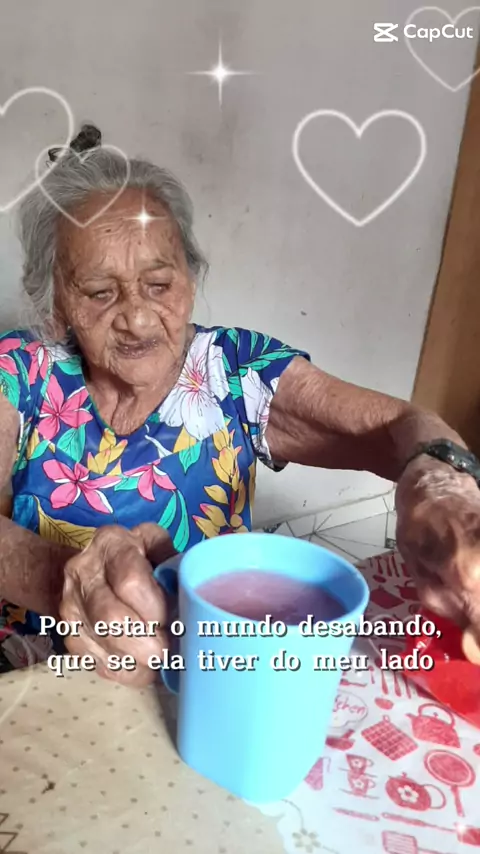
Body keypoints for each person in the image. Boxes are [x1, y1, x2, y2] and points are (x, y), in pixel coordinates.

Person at [1, 124, 480, 684]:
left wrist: (438, 483)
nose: (137, 316)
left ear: (190, 278)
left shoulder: (236, 372)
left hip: (208, 669)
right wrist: (64, 581)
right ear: (54, 304)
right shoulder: (21, 371)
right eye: (100, 292)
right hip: (34, 671)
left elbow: (398, 426)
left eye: (159, 284)